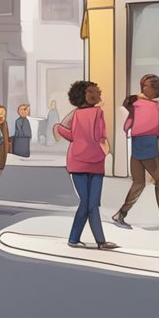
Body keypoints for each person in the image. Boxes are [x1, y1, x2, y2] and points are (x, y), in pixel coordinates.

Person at [56, 81, 117, 250]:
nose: (96, 95)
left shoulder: (74, 114)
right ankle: (98, 241)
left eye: (96, 91)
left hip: (77, 161)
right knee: (92, 203)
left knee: (87, 202)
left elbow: (61, 129)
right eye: (92, 92)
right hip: (95, 160)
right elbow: (101, 136)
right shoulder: (98, 112)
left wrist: (77, 138)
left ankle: (75, 239)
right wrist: (104, 150)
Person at [112, 75, 159, 232]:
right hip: (150, 145)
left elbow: (127, 126)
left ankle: (121, 214)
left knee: (139, 182)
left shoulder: (134, 104)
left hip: (137, 145)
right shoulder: (156, 105)